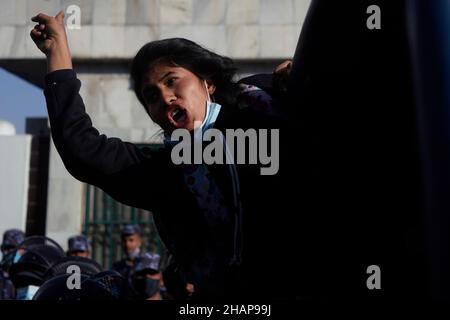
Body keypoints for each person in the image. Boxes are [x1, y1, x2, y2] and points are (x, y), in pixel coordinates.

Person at [30, 10, 296, 299]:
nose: (165, 97)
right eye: (152, 96)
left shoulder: (264, 104)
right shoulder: (164, 173)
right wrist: (57, 52)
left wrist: (299, 80)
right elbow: (80, 148)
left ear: (208, 82)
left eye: (172, 81)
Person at [0, 229, 25, 299]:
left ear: (22, 250)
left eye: (12, 248)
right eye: (5, 248)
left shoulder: (29, 275)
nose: (8, 252)